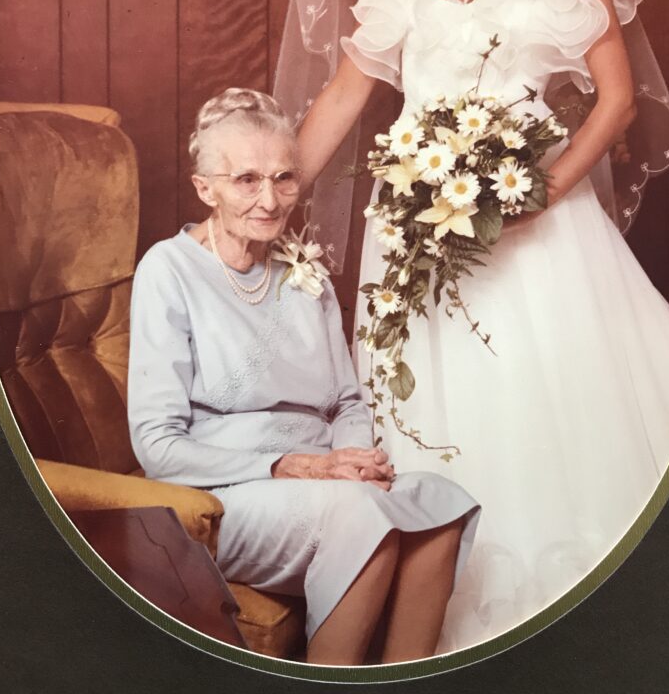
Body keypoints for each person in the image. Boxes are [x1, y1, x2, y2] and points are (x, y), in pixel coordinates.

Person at [273, 0, 669, 651]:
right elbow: (350, 91)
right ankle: (426, 603)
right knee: (428, 407)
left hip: (537, 218)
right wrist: (268, 193)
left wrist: (539, 196)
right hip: (413, 224)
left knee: (546, 399)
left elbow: (618, 100)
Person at [127, 88, 480, 665]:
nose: (270, 200)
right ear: (205, 188)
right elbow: (159, 447)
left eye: (284, 178)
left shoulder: (300, 266)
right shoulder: (168, 271)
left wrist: (353, 464)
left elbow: (345, 400)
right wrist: (302, 468)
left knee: (440, 504)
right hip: (221, 495)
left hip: (323, 482)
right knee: (360, 515)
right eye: (246, 180)